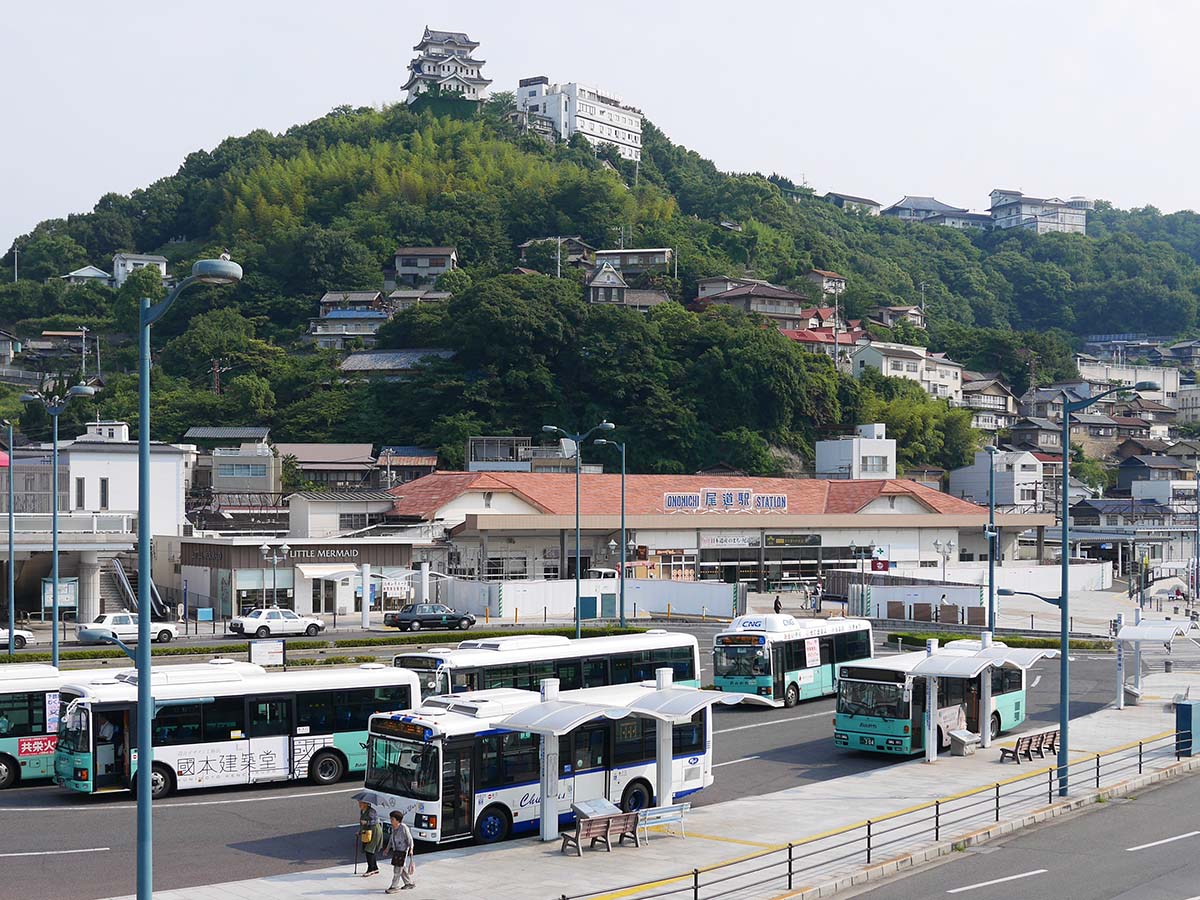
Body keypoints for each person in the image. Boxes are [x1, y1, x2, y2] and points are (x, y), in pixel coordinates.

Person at [385, 810, 415, 893]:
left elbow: (410, 839)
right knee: (402, 868)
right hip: (396, 851)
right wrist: (387, 848)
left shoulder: (403, 827)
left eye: (392, 819)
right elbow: (391, 839)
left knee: (397, 870)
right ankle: (409, 883)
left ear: (397, 820)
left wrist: (411, 849)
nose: (391, 821)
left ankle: (394, 886)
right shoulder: (393, 828)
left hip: (403, 851)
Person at [358, 801, 384, 877]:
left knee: (369, 850)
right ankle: (375, 867)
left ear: (366, 804)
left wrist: (366, 822)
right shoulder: (362, 811)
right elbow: (362, 823)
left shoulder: (371, 811)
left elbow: (376, 821)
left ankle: (370, 869)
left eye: (361, 803)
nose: (359, 805)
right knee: (369, 850)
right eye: (359, 803)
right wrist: (359, 832)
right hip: (367, 831)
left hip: (374, 831)